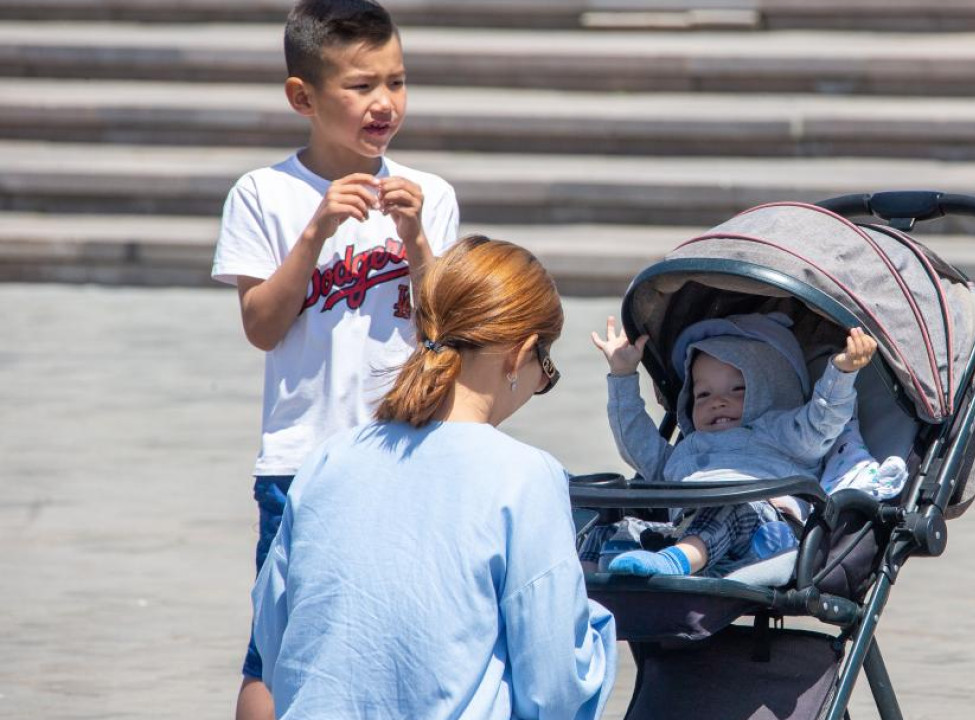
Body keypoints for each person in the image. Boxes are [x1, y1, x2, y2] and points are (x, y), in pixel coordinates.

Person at [209, 1, 459, 716]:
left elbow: (444, 327)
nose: (384, 103)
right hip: (301, 458)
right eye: (360, 86)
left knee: (397, 630)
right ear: (303, 97)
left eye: (397, 82)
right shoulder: (265, 193)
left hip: (405, 451)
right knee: (277, 647)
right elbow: (262, 326)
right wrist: (315, 232)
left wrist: (416, 243)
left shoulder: (431, 195)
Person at [251, 235, 617, 719]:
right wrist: (597, 623)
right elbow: (554, 691)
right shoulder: (526, 476)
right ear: (520, 353)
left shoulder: (328, 460)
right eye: (545, 366)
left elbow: (277, 646)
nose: (541, 382)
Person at [583, 313, 904, 578]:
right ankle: (589, 580)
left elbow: (825, 420)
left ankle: (675, 563)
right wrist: (623, 374)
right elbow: (634, 444)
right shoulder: (687, 449)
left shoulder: (783, 432)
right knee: (611, 525)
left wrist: (841, 371)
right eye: (703, 394)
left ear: (773, 390)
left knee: (730, 509)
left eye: (737, 389)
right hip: (685, 533)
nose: (718, 402)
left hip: (761, 525)